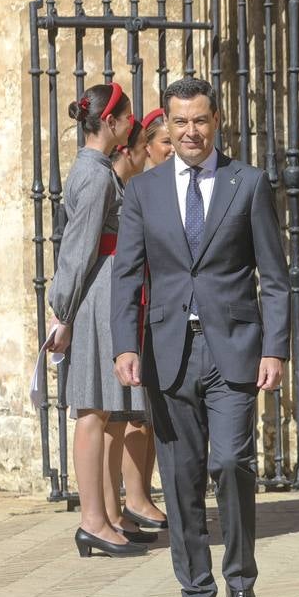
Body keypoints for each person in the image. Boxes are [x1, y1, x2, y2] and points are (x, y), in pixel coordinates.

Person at [112, 77, 290, 597]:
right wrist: (123, 344)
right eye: (180, 122)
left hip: (233, 349)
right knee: (181, 477)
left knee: (232, 464)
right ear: (167, 123)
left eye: (201, 121)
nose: (191, 132)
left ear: (217, 121)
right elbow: (127, 277)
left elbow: (277, 279)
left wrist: (276, 348)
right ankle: (197, 596)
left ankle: (241, 588)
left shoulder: (249, 183)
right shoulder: (145, 190)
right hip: (167, 354)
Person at [46, 82, 145, 559]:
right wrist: (62, 312)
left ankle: (103, 518)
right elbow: (79, 247)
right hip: (96, 296)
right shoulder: (96, 174)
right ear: (110, 122)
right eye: (127, 118)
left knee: (100, 409)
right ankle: (91, 521)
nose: (132, 125)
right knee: (92, 410)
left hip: (101, 291)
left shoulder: (97, 170)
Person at [103, 120, 166, 544]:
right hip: (129, 301)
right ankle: (113, 508)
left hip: (154, 300)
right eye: (164, 140)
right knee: (116, 415)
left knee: (145, 417)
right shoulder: (131, 189)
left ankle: (137, 496)